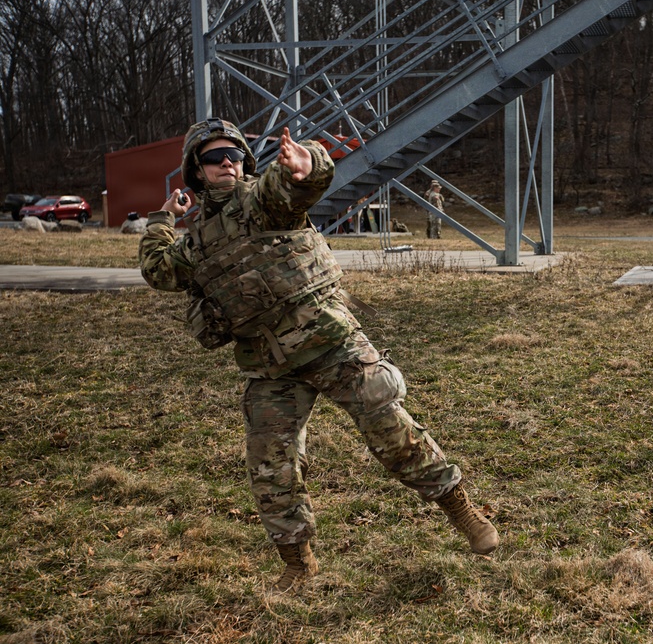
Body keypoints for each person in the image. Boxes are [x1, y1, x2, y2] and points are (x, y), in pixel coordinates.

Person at [138, 118, 497, 592]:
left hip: (330, 343)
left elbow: (295, 186)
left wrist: (307, 164)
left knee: (389, 426)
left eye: (235, 154)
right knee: (270, 466)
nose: (227, 162)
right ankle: (298, 563)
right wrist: (162, 219)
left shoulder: (261, 200)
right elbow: (158, 271)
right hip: (270, 365)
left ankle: (463, 512)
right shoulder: (196, 239)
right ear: (195, 170)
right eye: (213, 157)